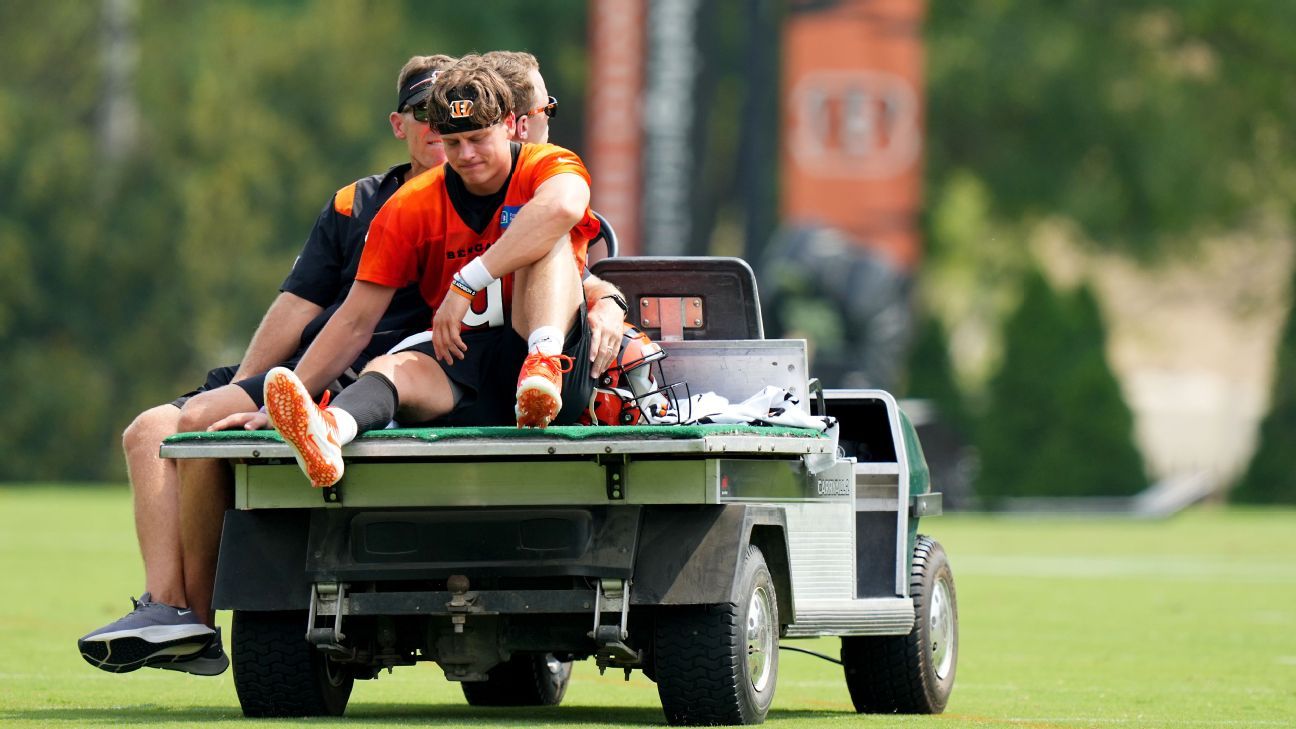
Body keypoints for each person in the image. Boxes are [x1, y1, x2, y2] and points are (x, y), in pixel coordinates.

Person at [76, 54, 457, 676]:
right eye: (423, 114)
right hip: (314, 366)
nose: (436, 128)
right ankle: (170, 608)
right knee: (149, 432)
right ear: (399, 123)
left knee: (200, 428)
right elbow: (296, 304)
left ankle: (191, 618)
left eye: (450, 115)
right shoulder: (354, 202)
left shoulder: (473, 198)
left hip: (376, 377)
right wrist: (248, 387)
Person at [252, 54, 601, 489]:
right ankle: (329, 431)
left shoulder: (545, 165)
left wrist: (466, 282)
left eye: (478, 138)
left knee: (543, 234)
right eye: (454, 143)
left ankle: (542, 362)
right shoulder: (409, 205)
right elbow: (354, 320)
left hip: (552, 368)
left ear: (511, 125)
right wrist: (285, 402)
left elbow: (564, 207)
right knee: (392, 366)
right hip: (467, 360)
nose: (467, 155)